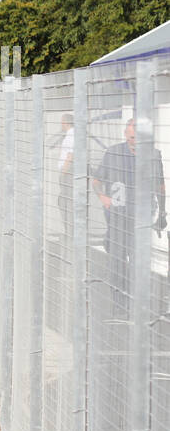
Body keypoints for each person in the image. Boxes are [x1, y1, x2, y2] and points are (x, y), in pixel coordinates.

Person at [92, 117, 166, 317]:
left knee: (137, 261)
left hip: (140, 218)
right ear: (126, 134)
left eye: (139, 138)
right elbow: (97, 180)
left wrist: (163, 212)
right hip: (116, 217)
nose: (135, 141)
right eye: (132, 137)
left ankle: (136, 302)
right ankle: (119, 302)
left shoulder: (153, 155)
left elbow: (160, 186)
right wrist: (103, 197)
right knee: (117, 259)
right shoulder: (113, 153)